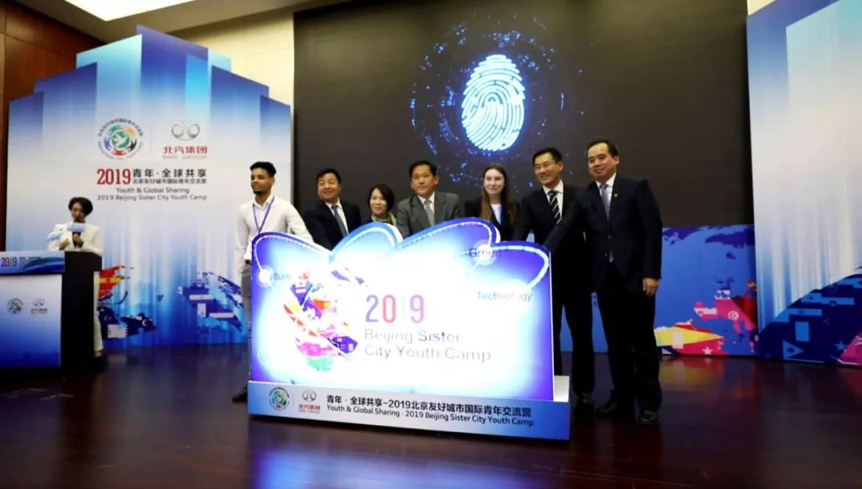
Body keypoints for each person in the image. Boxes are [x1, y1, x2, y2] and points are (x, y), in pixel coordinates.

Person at [546, 140, 663, 425]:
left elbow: (652, 231)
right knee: (616, 343)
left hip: (637, 278)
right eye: (591, 160)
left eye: (601, 157)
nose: (596, 163)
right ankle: (622, 396)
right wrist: (541, 252)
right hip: (605, 281)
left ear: (615, 159)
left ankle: (649, 402)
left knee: (642, 342)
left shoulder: (636, 187)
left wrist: (651, 273)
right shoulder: (584, 196)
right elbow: (564, 226)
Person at [512, 147, 594, 408]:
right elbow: (520, 232)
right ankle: (555, 386)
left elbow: (593, 231)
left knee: (582, 334)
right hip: (547, 279)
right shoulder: (530, 200)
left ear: (560, 165)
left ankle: (584, 390)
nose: (542, 170)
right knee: (550, 336)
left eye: (547, 164)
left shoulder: (579, 194)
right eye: (537, 167)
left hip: (578, 276)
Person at [233, 161, 312, 402]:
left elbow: (305, 237)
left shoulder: (284, 208)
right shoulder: (244, 210)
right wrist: (239, 274)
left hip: (276, 274)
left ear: (272, 180)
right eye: (253, 177)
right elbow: (240, 245)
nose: (255, 181)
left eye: (260, 177)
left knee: (278, 325)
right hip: (250, 270)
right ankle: (253, 380)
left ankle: (280, 377)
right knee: (252, 328)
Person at [49, 197, 105, 361]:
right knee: (66, 311)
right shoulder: (60, 228)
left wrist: (82, 243)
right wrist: (60, 248)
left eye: (81, 210)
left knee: (91, 313)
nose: (77, 213)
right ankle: (67, 348)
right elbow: (50, 251)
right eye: (74, 209)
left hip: (89, 275)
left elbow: (100, 252)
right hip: (67, 275)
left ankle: (96, 348)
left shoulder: (95, 230)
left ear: (86, 212)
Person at [395, 160, 463, 238]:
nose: (421, 181)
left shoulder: (451, 201)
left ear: (435, 179)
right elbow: (404, 239)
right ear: (411, 183)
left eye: (425, 176)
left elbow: (458, 233)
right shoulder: (405, 207)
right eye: (416, 177)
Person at [303, 168, 362, 250]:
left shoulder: (352, 210)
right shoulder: (312, 214)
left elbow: (359, 237)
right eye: (322, 184)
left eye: (331, 182)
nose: (326, 186)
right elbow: (322, 241)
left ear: (340, 187)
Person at [464, 163, 518, 241]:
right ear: (484, 182)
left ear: (505, 183)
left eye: (497, 179)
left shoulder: (514, 206)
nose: (492, 183)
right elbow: (470, 237)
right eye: (488, 179)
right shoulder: (472, 207)